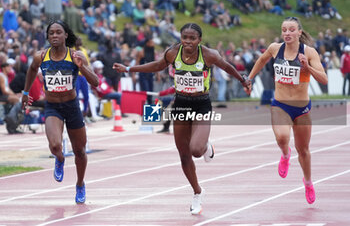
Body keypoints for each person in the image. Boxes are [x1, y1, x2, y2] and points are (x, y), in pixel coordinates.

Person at [113, 23, 251, 214]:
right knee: (184, 155)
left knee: (195, 150)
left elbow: (227, 67)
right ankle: (197, 192)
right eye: (184, 37)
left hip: (201, 104)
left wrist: (243, 80)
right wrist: (129, 69)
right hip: (181, 104)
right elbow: (157, 66)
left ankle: (205, 145)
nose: (188, 42)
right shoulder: (173, 53)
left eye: (192, 38)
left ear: (199, 40)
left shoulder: (209, 55)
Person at [248, 17, 328, 204]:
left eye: (291, 29)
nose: (287, 33)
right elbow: (261, 60)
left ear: (299, 32)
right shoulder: (275, 49)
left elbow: (323, 79)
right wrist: (249, 78)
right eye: (284, 30)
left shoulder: (309, 53)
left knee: (304, 150)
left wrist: (307, 67)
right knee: (282, 138)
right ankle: (285, 154)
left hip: (302, 109)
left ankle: (307, 182)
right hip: (280, 105)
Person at [21, 20, 99, 204]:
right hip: (53, 106)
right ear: (48, 37)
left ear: (65, 35)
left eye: (58, 32)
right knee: (55, 146)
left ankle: (80, 183)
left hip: (71, 107)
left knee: (80, 151)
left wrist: (82, 67)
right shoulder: (41, 57)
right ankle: (60, 158)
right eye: (51, 33)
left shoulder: (75, 56)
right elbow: (32, 70)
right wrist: (25, 92)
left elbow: (95, 82)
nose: (55, 36)